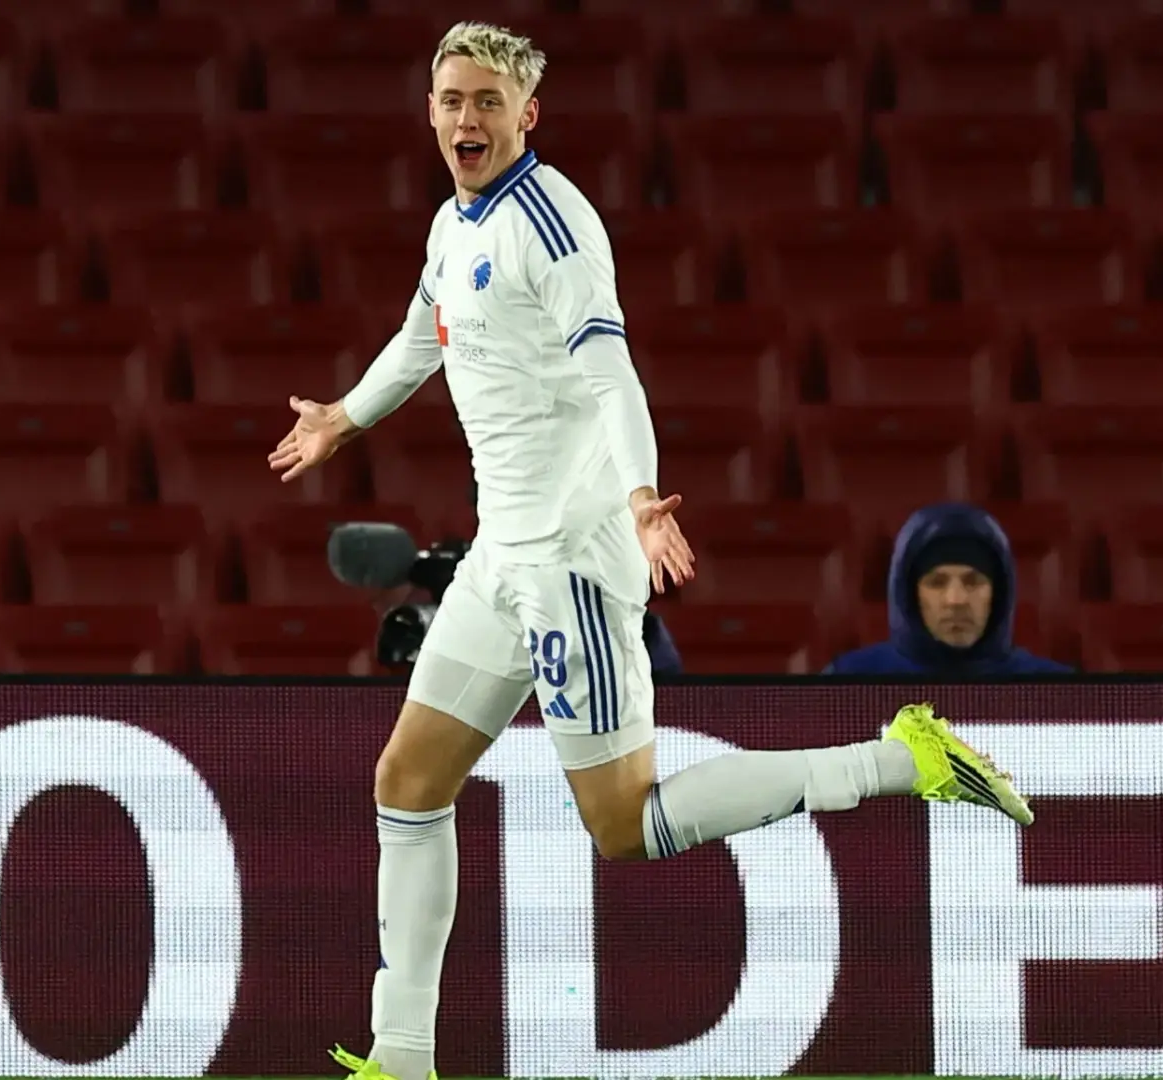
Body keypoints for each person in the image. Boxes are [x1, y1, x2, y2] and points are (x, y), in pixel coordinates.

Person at [267, 23, 1036, 1080]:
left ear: (527, 114)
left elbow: (610, 372)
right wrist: (344, 418)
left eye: (487, 101)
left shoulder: (554, 224)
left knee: (624, 829)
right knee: (406, 782)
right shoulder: (455, 223)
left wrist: (640, 498)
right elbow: (421, 335)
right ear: (431, 113)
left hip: (572, 564)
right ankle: (401, 1055)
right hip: (501, 559)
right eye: (451, 100)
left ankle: (899, 760)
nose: (466, 118)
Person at [827, 502, 1073, 675]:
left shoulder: (1055, 689)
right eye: (937, 582)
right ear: (910, 594)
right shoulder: (848, 681)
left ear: (998, 594)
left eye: (973, 581)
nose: (956, 600)